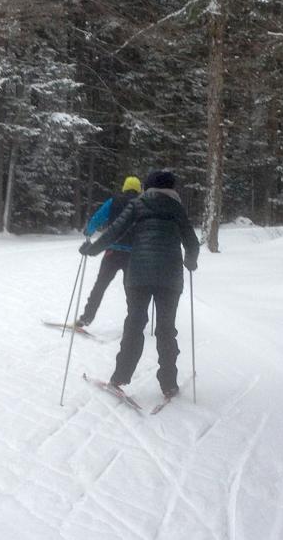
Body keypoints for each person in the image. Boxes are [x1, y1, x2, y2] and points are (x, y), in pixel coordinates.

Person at [79, 170, 199, 397]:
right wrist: (190, 260)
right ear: (172, 188)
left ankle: (120, 377)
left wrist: (91, 249)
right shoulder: (177, 208)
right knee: (166, 329)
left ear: (148, 187)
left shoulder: (139, 204)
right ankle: (169, 384)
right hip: (169, 277)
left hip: (139, 276)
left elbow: (113, 232)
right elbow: (192, 242)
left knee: (134, 324)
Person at [76, 176, 142, 328]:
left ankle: (86, 317)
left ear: (124, 188)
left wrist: (89, 231)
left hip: (113, 251)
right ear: (139, 190)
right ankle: (135, 322)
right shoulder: (141, 204)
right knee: (131, 290)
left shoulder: (114, 201)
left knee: (100, 285)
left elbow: (99, 217)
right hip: (133, 254)